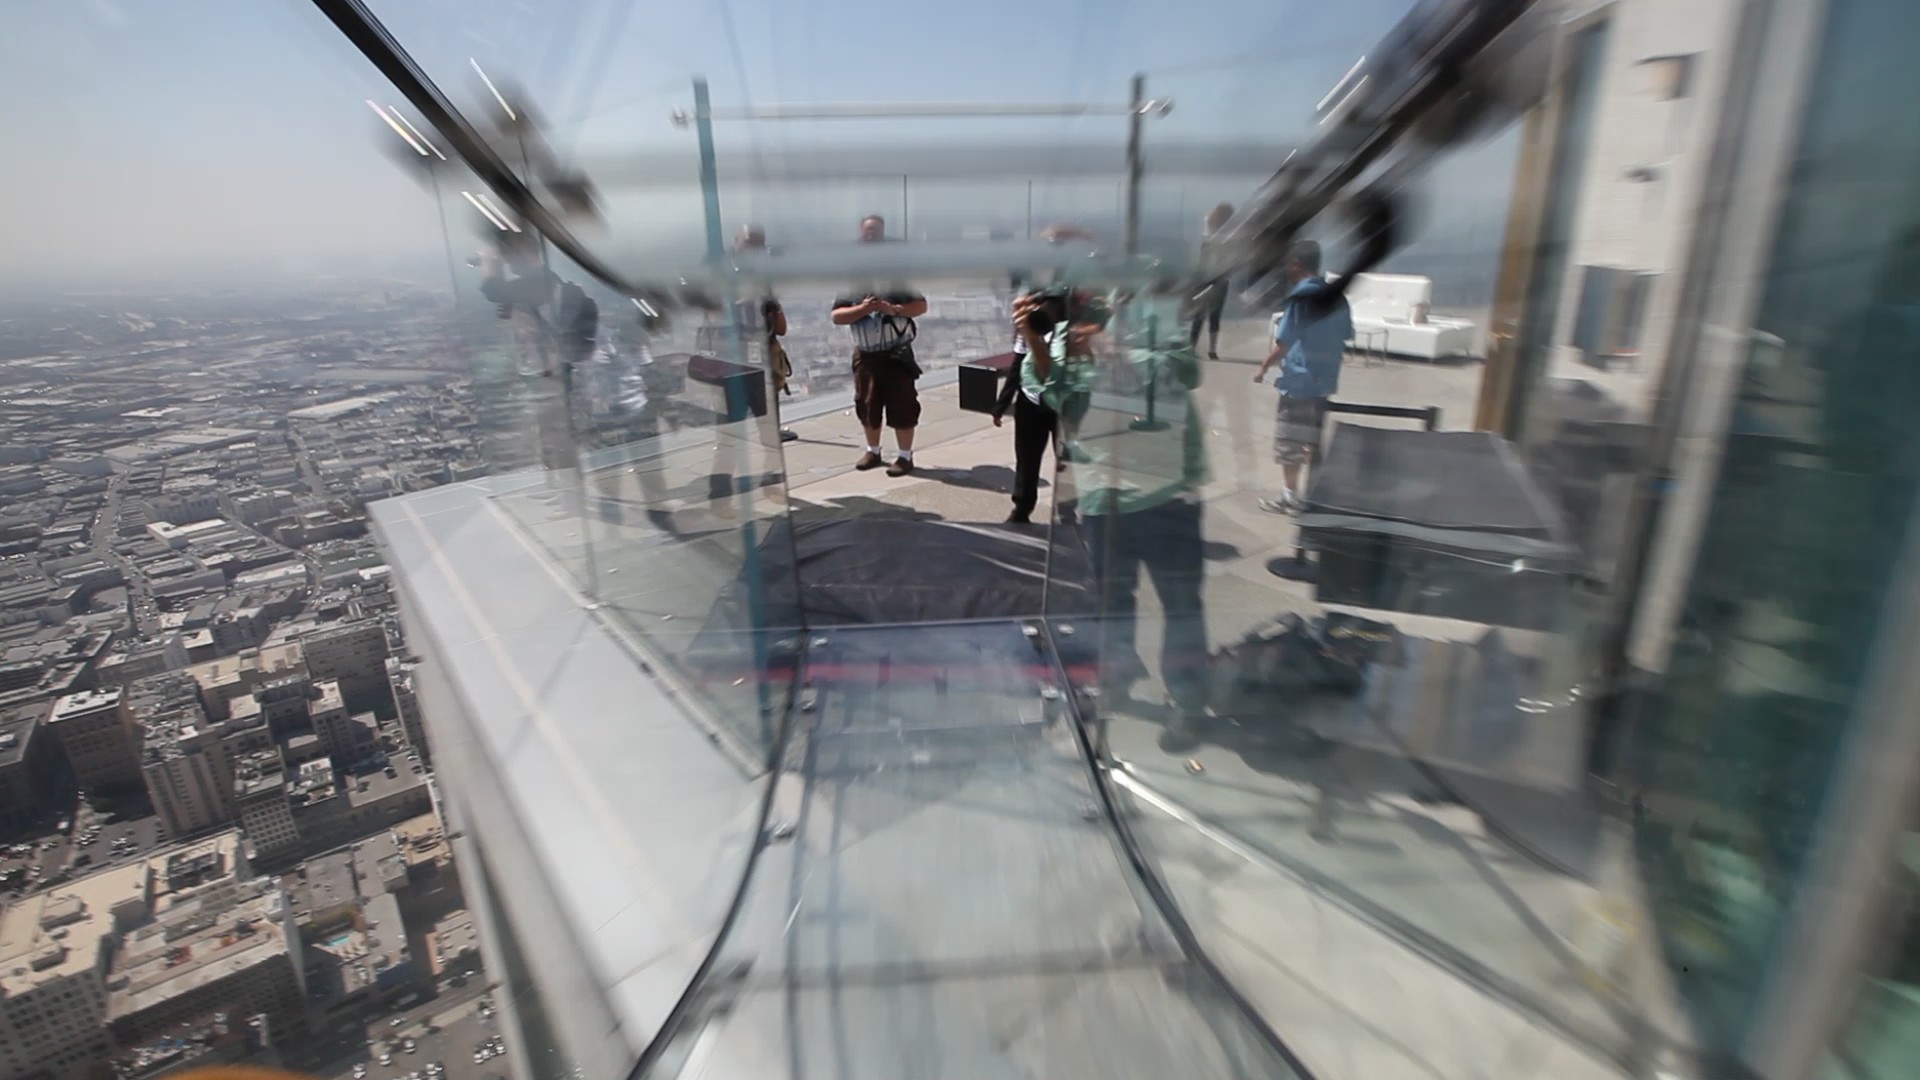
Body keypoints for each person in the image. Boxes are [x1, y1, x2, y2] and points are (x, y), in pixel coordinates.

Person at [1019, 284, 1212, 751]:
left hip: (1166, 489)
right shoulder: (1062, 337)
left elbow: (1186, 372)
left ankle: (1188, 703)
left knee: (1181, 604)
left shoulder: (1148, 316)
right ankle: (1117, 681)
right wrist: (1036, 341)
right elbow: (1050, 394)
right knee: (1111, 603)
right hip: (1103, 495)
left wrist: (1113, 351)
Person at [992, 284, 1108, 524]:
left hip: (1064, 404)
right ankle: (1022, 508)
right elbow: (1019, 362)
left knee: (1066, 457)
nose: (1045, 310)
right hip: (1031, 400)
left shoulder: (1074, 330)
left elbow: (1049, 375)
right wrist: (1002, 403)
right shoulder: (1031, 323)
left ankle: (1067, 508)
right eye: (1041, 303)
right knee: (1026, 457)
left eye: (1051, 304)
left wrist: (1033, 335)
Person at [1254, 240, 1352, 513]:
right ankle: (1314, 495)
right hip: (1324, 382)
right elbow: (1346, 333)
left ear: (1296, 266)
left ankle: (1291, 496)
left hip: (1298, 383)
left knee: (1289, 440)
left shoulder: (1300, 298)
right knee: (1313, 441)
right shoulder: (1336, 297)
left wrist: (1263, 367)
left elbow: (1283, 343)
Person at [832, 215, 928, 476]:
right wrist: (863, 309)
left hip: (895, 353)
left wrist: (893, 309)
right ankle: (872, 451)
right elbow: (837, 316)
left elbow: (920, 306)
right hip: (866, 355)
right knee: (867, 404)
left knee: (903, 405)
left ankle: (905, 456)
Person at [1189, 203, 1235, 359]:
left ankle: (1192, 347)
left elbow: (1202, 262)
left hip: (1205, 279)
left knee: (1199, 315)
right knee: (1215, 316)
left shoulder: (1208, 238)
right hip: (1220, 279)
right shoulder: (1227, 239)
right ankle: (1212, 350)